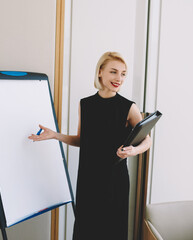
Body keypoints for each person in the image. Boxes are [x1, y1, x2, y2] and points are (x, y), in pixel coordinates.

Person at [28, 51, 151, 240]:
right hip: (88, 180)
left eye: (123, 73)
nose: (119, 78)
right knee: (87, 230)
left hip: (114, 182)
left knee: (111, 231)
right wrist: (55, 136)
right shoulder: (85, 104)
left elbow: (147, 140)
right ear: (100, 72)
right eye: (113, 72)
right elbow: (82, 140)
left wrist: (133, 150)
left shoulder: (128, 107)